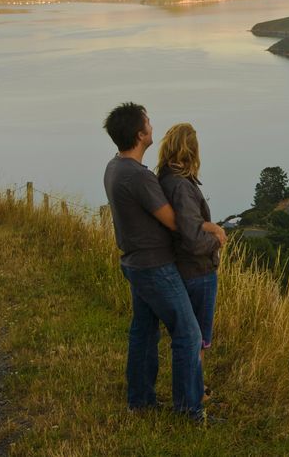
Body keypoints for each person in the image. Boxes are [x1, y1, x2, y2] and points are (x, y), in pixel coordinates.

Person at [102, 102, 222, 419]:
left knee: (143, 332)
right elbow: (176, 223)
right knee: (189, 334)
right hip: (155, 266)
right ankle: (188, 411)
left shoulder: (114, 167)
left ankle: (140, 401)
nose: (152, 127)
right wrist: (212, 230)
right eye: (149, 123)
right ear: (140, 134)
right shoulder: (139, 177)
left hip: (134, 262)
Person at [156, 123, 224, 400]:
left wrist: (208, 226)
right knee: (198, 338)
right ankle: (194, 394)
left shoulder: (164, 180)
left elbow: (187, 224)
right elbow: (193, 238)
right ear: (191, 150)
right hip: (197, 271)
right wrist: (216, 240)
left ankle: (195, 389)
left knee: (191, 334)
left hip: (180, 267)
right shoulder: (182, 186)